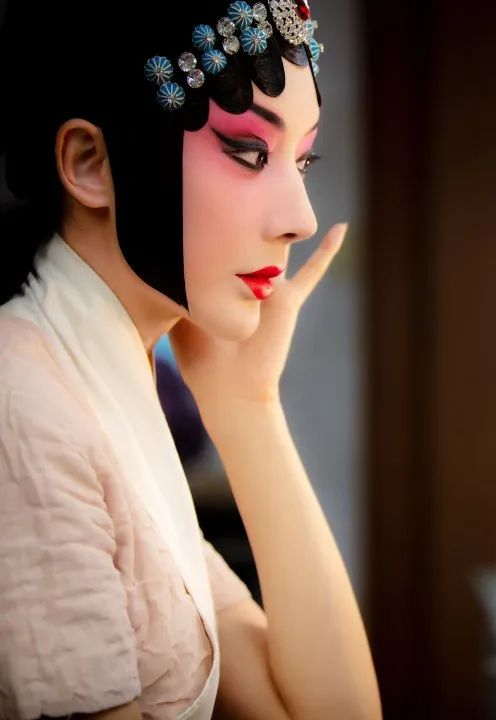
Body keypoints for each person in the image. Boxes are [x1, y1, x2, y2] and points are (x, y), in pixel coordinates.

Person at [0, 1, 380, 718]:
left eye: (302, 160)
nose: (301, 218)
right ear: (89, 163)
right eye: (250, 153)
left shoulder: (106, 381)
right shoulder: (25, 405)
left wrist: (249, 409)